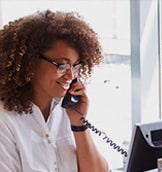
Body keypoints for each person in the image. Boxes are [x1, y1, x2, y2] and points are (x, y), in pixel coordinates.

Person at [0, 9, 109, 172]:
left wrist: (79, 124)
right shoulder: (6, 119)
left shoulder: (66, 109)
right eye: (62, 65)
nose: (70, 75)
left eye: (76, 66)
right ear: (30, 62)